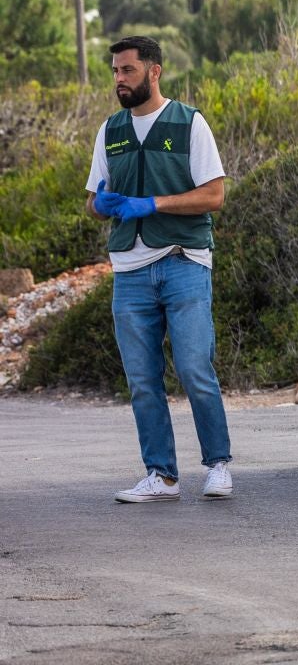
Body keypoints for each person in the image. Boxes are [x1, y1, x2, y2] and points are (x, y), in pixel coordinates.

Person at [86, 36, 233, 504]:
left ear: (154, 71)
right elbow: (94, 200)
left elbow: (214, 195)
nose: (118, 80)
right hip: (129, 270)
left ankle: (218, 465)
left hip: (183, 262)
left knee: (194, 368)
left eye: (127, 70)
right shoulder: (110, 131)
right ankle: (162, 476)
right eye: (114, 71)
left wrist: (155, 203)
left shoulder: (189, 123)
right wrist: (103, 204)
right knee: (142, 380)